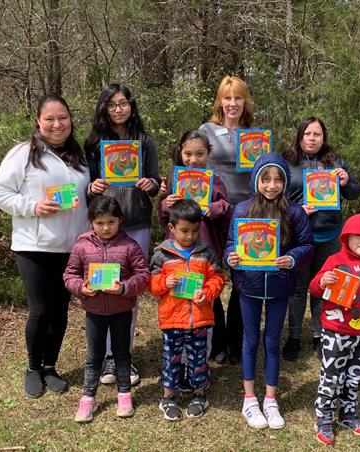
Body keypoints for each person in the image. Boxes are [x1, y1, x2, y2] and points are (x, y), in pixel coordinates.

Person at [0, 95, 90, 398]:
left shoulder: (79, 156)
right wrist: (33, 207)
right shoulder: (25, 153)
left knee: (60, 311)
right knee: (40, 309)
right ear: (38, 121)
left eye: (63, 117)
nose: (57, 124)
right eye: (50, 119)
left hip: (71, 247)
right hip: (34, 246)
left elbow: (85, 198)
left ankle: (50, 366)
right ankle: (33, 368)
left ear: (70, 119)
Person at [225, 153, 314, 429]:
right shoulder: (242, 210)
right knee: (250, 340)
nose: (272, 185)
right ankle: (250, 399)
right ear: (256, 180)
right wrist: (231, 256)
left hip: (279, 286)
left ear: (285, 182)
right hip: (249, 286)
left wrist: (293, 258)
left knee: (272, 341)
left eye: (278, 180)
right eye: (266, 179)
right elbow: (230, 243)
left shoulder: (294, 212)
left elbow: (307, 245)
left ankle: (271, 400)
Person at [84, 83, 161, 386]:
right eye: (112, 104)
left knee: (128, 288)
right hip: (104, 225)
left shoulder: (144, 141)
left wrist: (151, 185)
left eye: (123, 103)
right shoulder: (94, 143)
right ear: (104, 108)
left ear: (131, 106)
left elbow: (156, 182)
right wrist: (92, 187)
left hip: (137, 222)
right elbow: (87, 184)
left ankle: (122, 355)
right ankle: (107, 356)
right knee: (103, 286)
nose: (118, 109)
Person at [63, 196, 150, 422]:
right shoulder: (82, 246)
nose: (105, 227)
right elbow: (69, 274)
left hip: (122, 310)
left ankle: (124, 395)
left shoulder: (129, 246)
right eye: (99, 222)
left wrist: (124, 288)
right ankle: (88, 398)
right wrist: (81, 288)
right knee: (94, 355)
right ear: (91, 221)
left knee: (122, 354)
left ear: (120, 220)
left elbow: (143, 275)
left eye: (111, 222)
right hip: (94, 312)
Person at [308, 213, 360, 446]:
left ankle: (348, 414)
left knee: (355, 377)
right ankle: (323, 418)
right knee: (332, 377)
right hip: (335, 331)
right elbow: (314, 289)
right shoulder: (334, 260)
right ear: (346, 237)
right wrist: (322, 281)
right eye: (359, 236)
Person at [282, 117, 360, 361]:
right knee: (298, 288)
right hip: (299, 235)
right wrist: (296, 210)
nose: (312, 138)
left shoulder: (335, 161)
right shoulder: (287, 161)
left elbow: (354, 192)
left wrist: (346, 182)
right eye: (307, 134)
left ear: (323, 137)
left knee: (324, 285)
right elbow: (275, 195)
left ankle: (319, 334)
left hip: (330, 236)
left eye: (316, 134)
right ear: (299, 136)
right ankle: (294, 336)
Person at [158, 130, 231, 377]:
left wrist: (212, 208)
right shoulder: (173, 180)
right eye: (188, 154)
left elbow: (226, 209)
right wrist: (166, 203)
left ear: (208, 153)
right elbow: (163, 218)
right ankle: (179, 342)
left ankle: (217, 344)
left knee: (210, 295)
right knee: (180, 294)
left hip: (206, 248)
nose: (193, 159)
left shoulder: (214, 180)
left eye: (199, 154)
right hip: (178, 252)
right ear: (180, 152)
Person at [149, 199, 225, 421]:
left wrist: (207, 293)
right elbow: (152, 284)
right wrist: (164, 283)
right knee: (171, 359)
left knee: (198, 358)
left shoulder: (206, 253)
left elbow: (218, 279)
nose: (190, 236)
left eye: (195, 230)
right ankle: (168, 397)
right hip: (172, 319)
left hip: (199, 319)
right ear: (171, 228)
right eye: (184, 231)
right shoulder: (162, 254)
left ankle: (199, 394)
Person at [199, 75, 255, 364]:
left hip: (246, 214)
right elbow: (193, 166)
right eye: (227, 97)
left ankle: (236, 340)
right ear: (219, 101)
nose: (233, 103)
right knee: (211, 274)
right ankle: (217, 339)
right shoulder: (206, 130)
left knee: (241, 278)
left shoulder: (255, 135)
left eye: (238, 97)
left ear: (245, 101)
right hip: (213, 214)